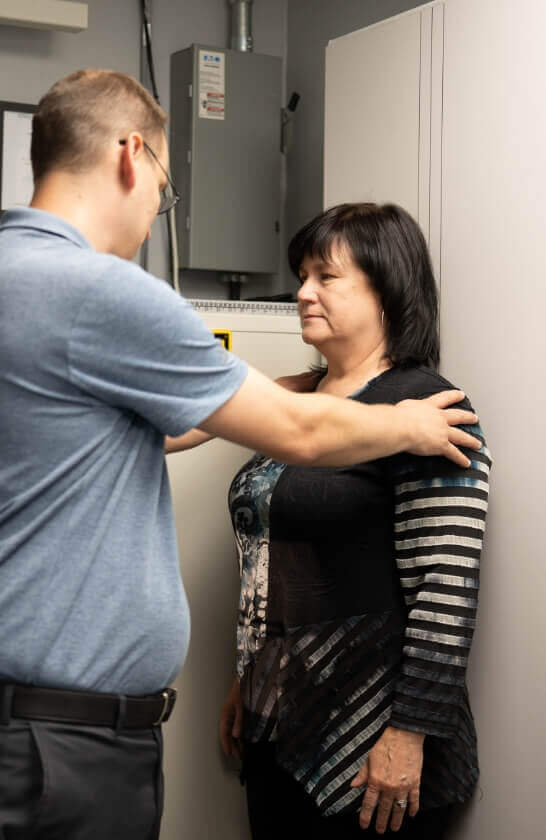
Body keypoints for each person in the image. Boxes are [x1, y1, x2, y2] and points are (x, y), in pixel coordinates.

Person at [0, 68, 480, 840]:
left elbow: (444, 587)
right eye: (163, 186)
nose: (155, 211)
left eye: (328, 277)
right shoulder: (95, 291)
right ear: (130, 155)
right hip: (56, 755)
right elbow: (301, 432)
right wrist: (404, 426)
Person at [219, 203, 491, 839]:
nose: (303, 292)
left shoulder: (429, 408)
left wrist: (409, 734)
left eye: (326, 276)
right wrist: (251, 677)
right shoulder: (295, 406)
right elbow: (274, 556)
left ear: (388, 290)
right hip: (278, 725)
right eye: (302, 275)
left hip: (373, 752)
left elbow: (446, 589)